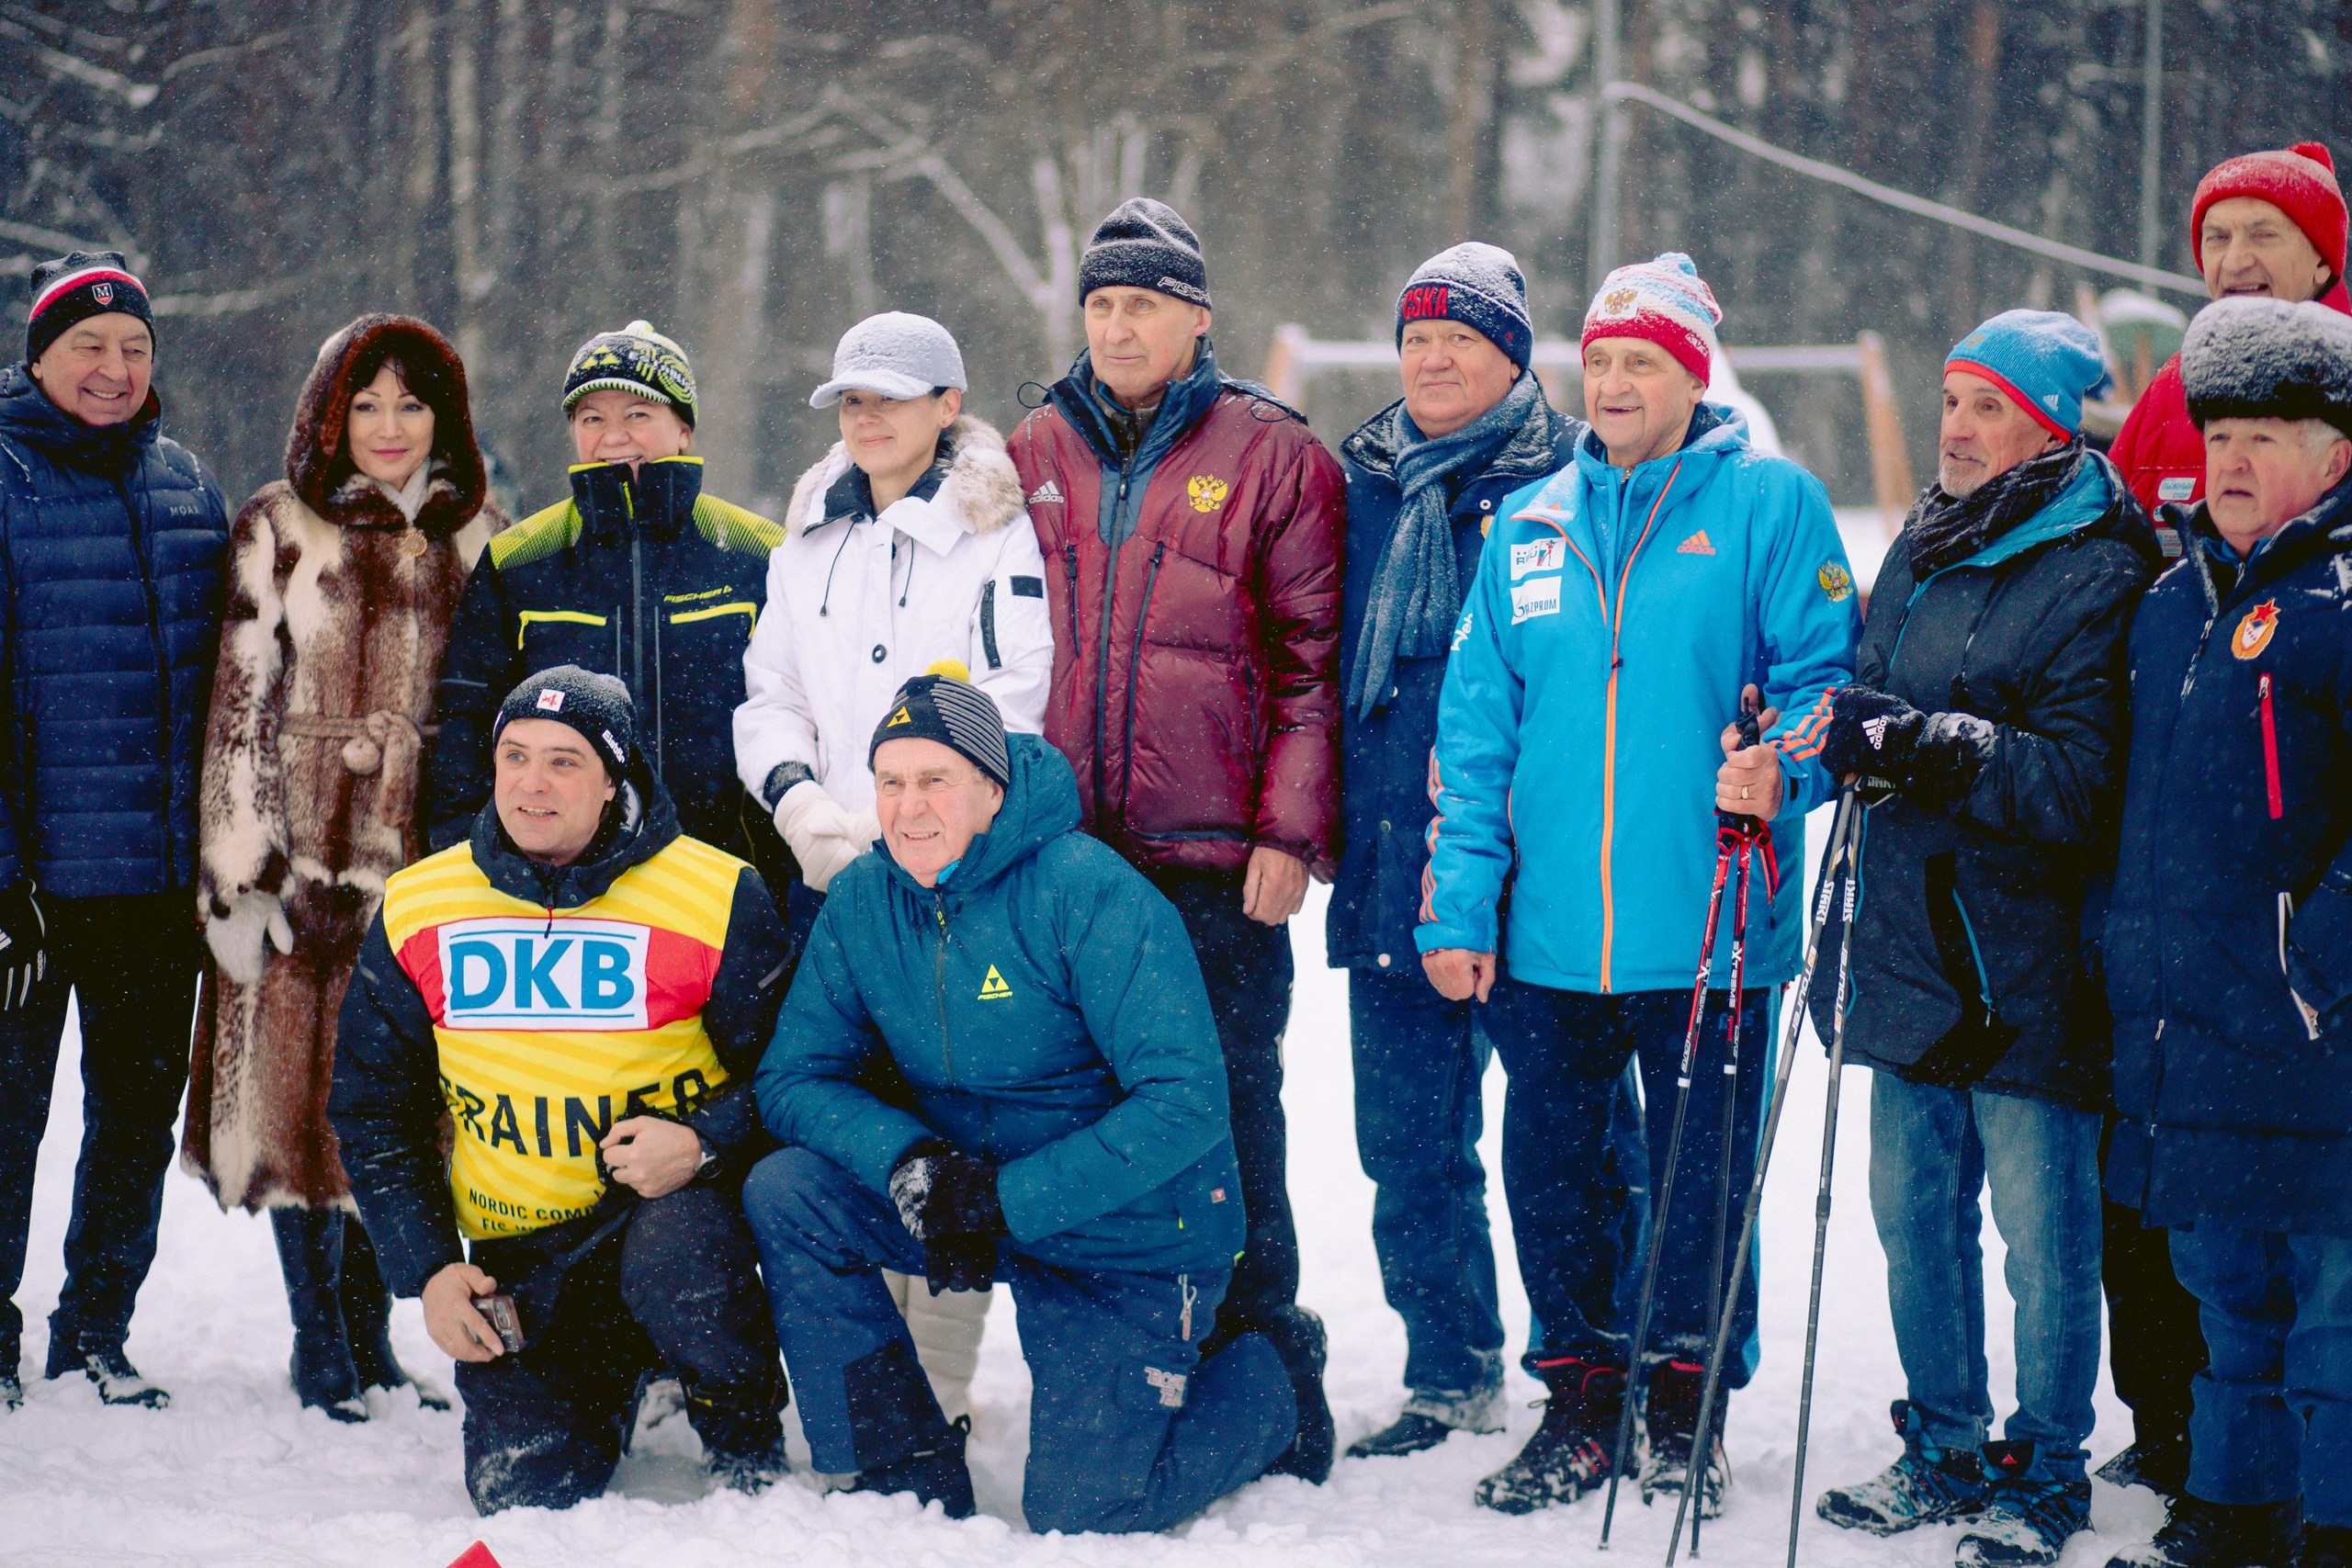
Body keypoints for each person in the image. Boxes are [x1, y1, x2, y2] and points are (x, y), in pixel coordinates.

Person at [1418, 252, 1857, 1515]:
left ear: (1690, 374)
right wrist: (1458, 898)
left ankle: (1681, 1403)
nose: (1612, 382)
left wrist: (1784, 767)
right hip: (1550, 927)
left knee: (1697, 1180)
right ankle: (1579, 1397)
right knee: (1550, 1172)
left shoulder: (1769, 505)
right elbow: (1475, 730)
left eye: (1640, 363)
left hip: (1710, 917)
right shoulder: (1530, 523)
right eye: (1599, 361)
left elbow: (1830, 679)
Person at [742, 671, 1299, 1531]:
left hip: (1125, 1231)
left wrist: (1007, 1197)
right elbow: (791, 1078)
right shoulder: (863, 898)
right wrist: (912, 1161)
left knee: (1087, 1513)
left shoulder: (1087, 891)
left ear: (993, 790)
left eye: (936, 780)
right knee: (788, 1192)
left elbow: (1186, 1101)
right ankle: (899, 1461)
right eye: (890, 781)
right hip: (964, 1195)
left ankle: (1269, 1380)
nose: (908, 806)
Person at [1804, 312, 2161, 1568]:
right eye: (1950, 397)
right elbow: (1873, 678)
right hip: (1907, 938)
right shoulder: (1923, 536)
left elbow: (2079, 784)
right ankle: (1942, 1441)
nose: (1955, 426)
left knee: (2044, 1238)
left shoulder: (2104, 565)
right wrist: (1837, 723)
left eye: (1988, 407)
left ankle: (2048, 1465)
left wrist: (1923, 743)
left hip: (2030, 961)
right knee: (1914, 1218)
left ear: (2053, 427)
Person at [1007, 197, 1345, 1480]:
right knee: (1094, 1109)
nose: (1119, 325)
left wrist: (1289, 831)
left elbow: (1311, 668)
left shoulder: (1272, 452)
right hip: (1071, 860)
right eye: (1100, 303)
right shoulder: (1032, 443)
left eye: (1143, 302)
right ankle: (1135, 1346)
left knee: (1231, 1106)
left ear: (1197, 318)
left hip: (1213, 859)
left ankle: (1269, 1354)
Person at [330, 666, 790, 1511]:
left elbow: (795, 1077)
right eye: (515, 756)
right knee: (522, 1497)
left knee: (680, 1250)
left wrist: (703, 1139)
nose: (533, 783)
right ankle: (607, 1390)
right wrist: (429, 1268)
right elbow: (371, 1110)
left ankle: (740, 1423)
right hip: (524, 1256)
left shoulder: (716, 893)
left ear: (615, 780)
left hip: (674, 1220)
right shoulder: (420, 903)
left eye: (565, 761)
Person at [178, 314, 505, 1421]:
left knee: (398, 1110)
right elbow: (237, 705)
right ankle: (320, 1344)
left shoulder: (475, 535)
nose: (388, 428)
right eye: (365, 406)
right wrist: (240, 870)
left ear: (443, 417)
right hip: (299, 861)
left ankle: (373, 1339)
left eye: (410, 405)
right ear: (329, 416)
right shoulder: (280, 525)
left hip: (424, 868)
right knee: (291, 1105)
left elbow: (492, 711)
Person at [732, 310, 1053, 1425]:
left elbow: (1012, 702)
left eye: (890, 397)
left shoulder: (994, 533)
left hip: (949, 875)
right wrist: (801, 806)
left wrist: (908, 822)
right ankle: (868, 1378)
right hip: (823, 874)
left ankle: (945, 1385)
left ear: (947, 407)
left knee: (946, 1108)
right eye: (850, 400)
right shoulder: (808, 536)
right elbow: (767, 693)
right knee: (837, 1114)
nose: (866, 417)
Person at [2100, 299, 2352, 1568]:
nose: (2235, 459)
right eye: (2222, 434)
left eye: (2269, 433)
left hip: (2320, 1040)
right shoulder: (2171, 601)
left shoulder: (2340, 602)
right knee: (2228, 1305)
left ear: (2338, 454)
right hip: (2192, 1033)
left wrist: (2318, 962)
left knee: (2336, 1323)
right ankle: (2237, 1512)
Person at [1327, 243, 1581, 1457]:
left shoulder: (1576, 481)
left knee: (1570, 1142)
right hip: (1392, 861)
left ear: (1514, 359)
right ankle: (1448, 1365)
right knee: (1409, 1142)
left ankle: (1593, 1371)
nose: (1430, 358)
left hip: (1537, 878)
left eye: (1461, 341)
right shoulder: (1363, 482)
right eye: (1416, 337)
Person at [0, 252, 231, 1410]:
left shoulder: (187, 484)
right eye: (89, 347)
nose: (114, 368)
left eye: (135, 348)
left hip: (155, 887)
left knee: (133, 1119)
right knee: (6, 1122)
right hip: (29, 892)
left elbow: (232, 696)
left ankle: (95, 1328)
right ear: (38, 357)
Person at [424, 321, 784, 862]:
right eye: (593, 418)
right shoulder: (518, 558)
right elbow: (467, 725)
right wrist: (464, 859)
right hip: (561, 880)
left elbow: (799, 714)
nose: (614, 437)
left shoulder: (759, 553)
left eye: (638, 415)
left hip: (728, 873)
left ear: (683, 428)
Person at [2109, 142, 2346, 551]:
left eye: (2264, 235)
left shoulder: (2343, 384)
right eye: (2217, 237)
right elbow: (2110, 536)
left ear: (2322, 261)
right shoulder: (2172, 385)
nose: (2235, 261)